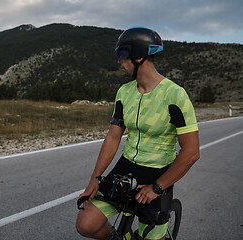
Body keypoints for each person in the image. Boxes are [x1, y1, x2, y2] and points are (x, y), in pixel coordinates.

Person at [76, 27, 200, 240]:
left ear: (140, 56)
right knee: (86, 224)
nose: (118, 61)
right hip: (126, 166)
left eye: (122, 54)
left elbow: (191, 152)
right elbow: (113, 137)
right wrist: (95, 179)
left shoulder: (175, 95)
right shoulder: (124, 92)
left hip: (157, 172)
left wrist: (157, 188)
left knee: (150, 236)